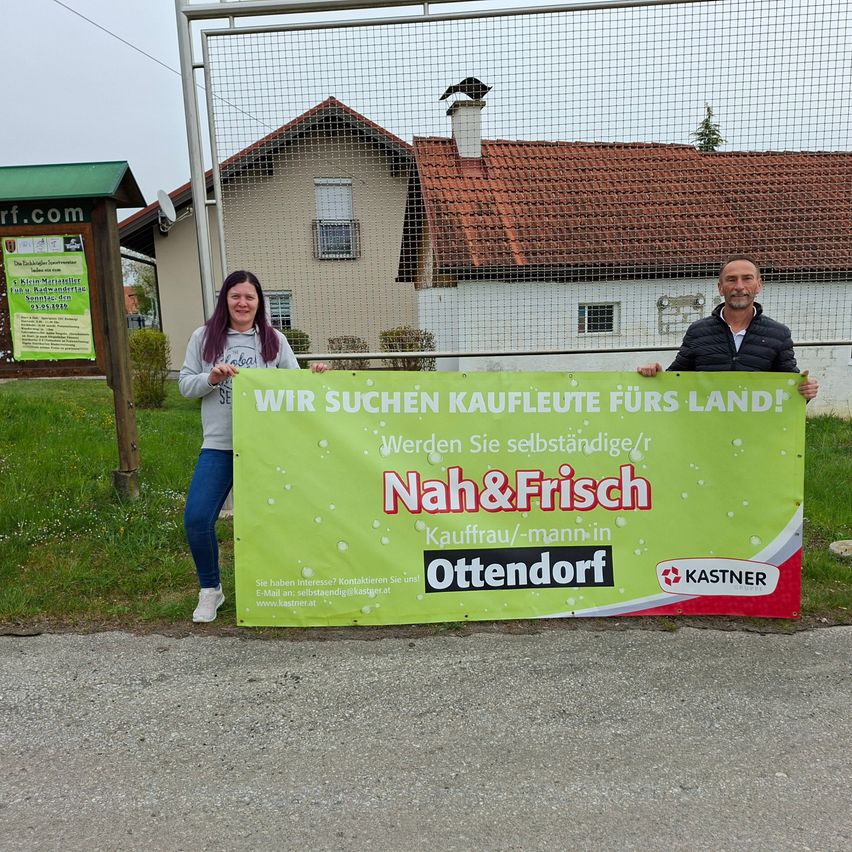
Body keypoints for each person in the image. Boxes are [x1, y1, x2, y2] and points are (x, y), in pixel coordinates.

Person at [179, 270, 328, 623]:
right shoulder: (203, 337)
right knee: (197, 518)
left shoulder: (274, 339)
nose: (242, 303)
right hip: (220, 445)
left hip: (266, 446)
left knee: (279, 520)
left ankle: (282, 587)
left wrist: (315, 375)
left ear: (259, 302)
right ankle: (210, 590)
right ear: (225, 300)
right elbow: (185, 385)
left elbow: (294, 386)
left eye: (249, 297)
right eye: (235, 296)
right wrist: (211, 378)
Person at [637, 255, 819, 400]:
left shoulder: (778, 334)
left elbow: (790, 389)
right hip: (706, 427)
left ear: (758, 285)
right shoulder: (698, 331)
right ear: (720, 287)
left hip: (756, 430)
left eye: (747, 279)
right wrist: (658, 375)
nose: (739, 286)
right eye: (731, 279)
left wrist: (805, 391)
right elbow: (677, 380)